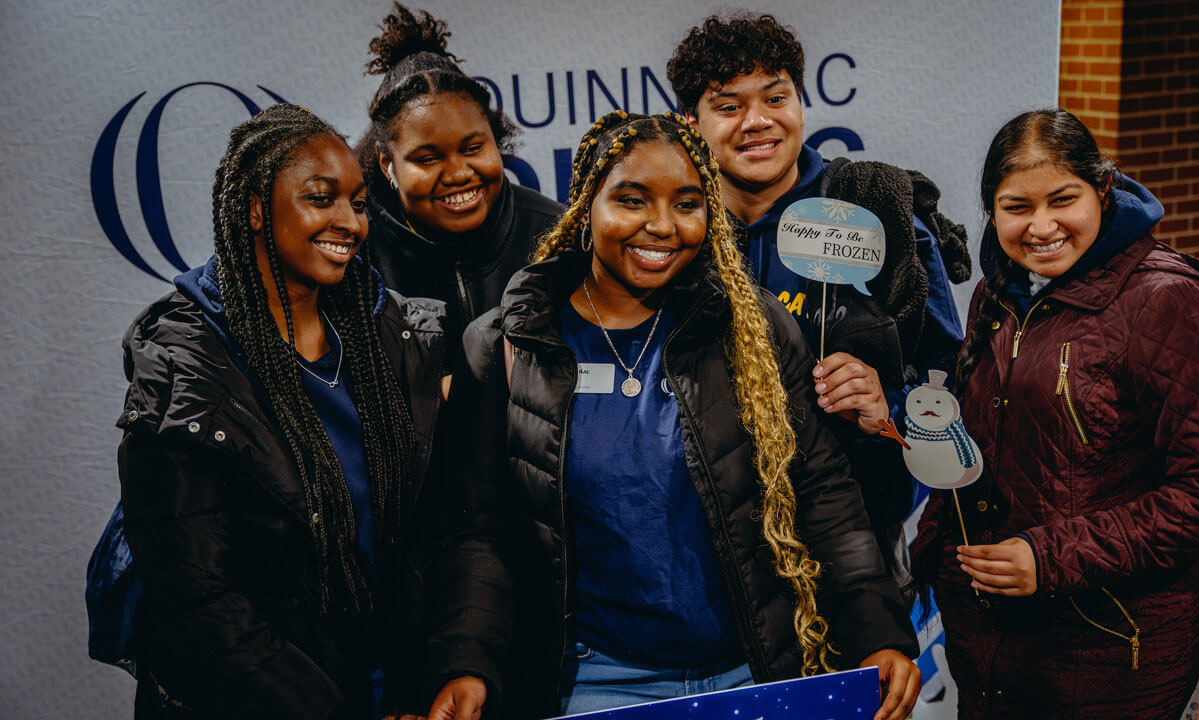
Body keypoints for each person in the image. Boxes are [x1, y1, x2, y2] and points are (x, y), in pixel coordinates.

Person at [445, 111, 920, 720]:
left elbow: (823, 494)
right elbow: (477, 532)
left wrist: (877, 631)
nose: (663, 226)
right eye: (632, 199)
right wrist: (464, 660)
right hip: (593, 682)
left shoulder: (752, 330)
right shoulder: (505, 345)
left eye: (688, 203)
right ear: (587, 204)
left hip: (752, 671)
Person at [116, 104, 483, 719]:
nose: (349, 222)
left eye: (359, 203)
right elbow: (201, 603)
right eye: (321, 199)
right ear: (257, 209)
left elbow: (453, 529)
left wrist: (455, 661)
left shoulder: (391, 335)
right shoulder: (188, 368)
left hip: (394, 688)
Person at [911, 108, 1199, 719]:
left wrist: (1050, 558)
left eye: (1062, 199)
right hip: (992, 646)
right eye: (1016, 207)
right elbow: (982, 445)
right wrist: (934, 561)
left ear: (1103, 189)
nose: (1041, 226)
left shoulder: (1168, 301)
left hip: (1110, 655)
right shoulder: (999, 291)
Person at [666, 13, 972, 591]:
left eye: (776, 97)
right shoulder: (670, 231)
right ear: (691, 123)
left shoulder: (878, 214)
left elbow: (950, 383)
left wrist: (891, 409)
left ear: (801, 102)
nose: (757, 122)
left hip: (856, 549)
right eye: (728, 106)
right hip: (710, 558)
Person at [357, 3, 562, 364]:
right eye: (428, 158)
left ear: (495, 139)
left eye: (472, 148)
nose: (457, 174)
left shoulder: (554, 234)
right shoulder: (357, 253)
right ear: (388, 164)